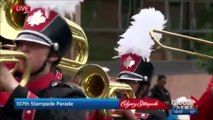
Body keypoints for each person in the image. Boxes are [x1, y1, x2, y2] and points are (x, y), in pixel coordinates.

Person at [0, 5, 88, 120]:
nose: (23, 48)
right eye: (21, 43)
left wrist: (12, 86)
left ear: (53, 55)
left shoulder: (70, 96)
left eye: (33, 44)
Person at [89, 7, 167, 120]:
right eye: (122, 81)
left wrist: (128, 115)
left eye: (130, 82)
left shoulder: (154, 111)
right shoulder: (111, 108)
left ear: (144, 88)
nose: (123, 86)